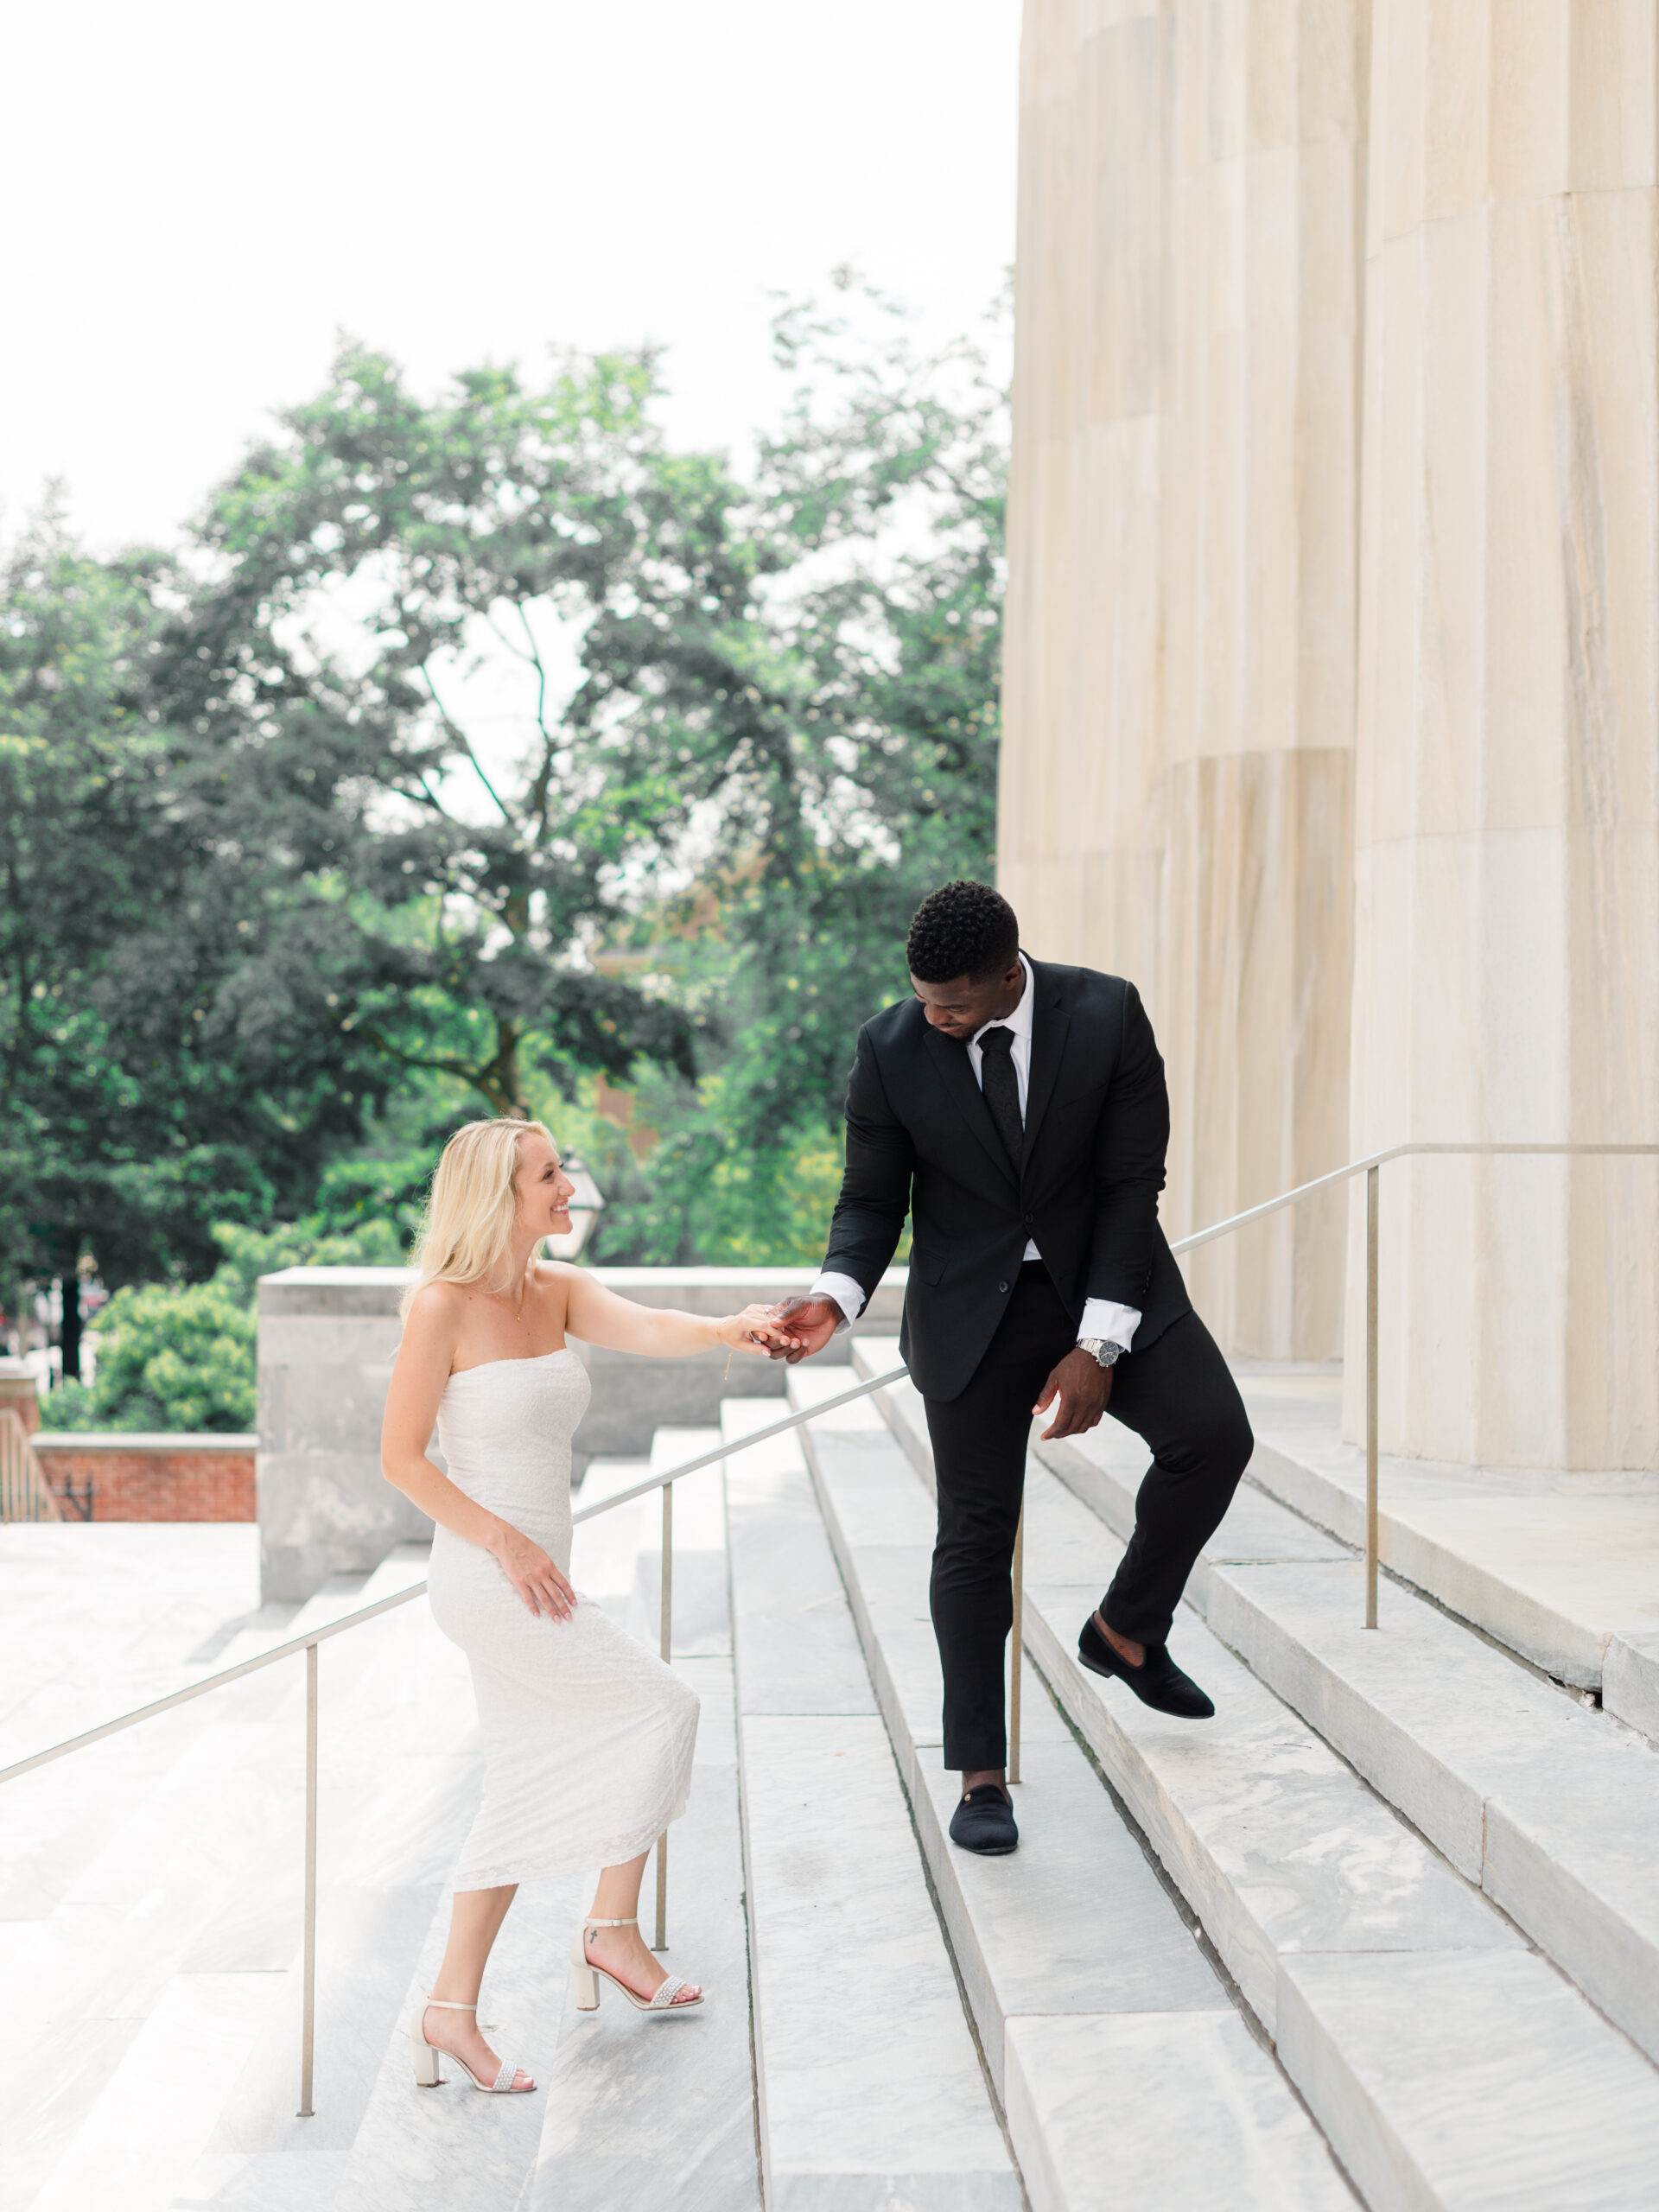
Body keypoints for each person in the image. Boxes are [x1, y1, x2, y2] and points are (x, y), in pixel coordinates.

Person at [771, 880, 1253, 1856]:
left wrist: (1099, 1342)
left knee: (1213, 1435)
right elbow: (870, 1199)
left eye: (954, 1003)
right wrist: (835, 1296)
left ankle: (1126, 1627)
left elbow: (1132, 1183)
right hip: (968, 1310)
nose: (935, 1019)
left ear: (1008, 971)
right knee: (975, 1534)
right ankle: (980, 1773)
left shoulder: (1107, 1011)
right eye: (922, 999)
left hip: (1108, 1283)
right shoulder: (890, 1046)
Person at [381, 1116, 789, 2092]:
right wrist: (507, 1540)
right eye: (550, 1174)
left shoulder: (554, 1290)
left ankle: (449, 2011)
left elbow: (649, 1326)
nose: (571, 1187)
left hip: (540, 1569)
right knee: (662, 1706)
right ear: (499, 1196)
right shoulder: (441, 1306)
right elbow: (398, 1459)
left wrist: (729, 1327)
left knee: (521, 1785)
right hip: (489, 1574)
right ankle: (610, 1931)